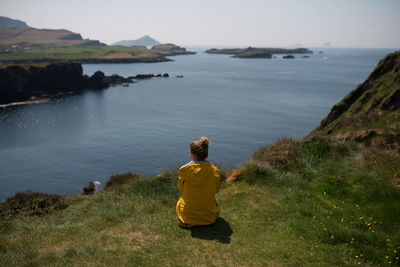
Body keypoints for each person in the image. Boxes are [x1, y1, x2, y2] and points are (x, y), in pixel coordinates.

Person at [176, 136, 220, 227]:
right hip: (209, 217)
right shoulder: (214, 170)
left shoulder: (184, 170)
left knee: (181, 200)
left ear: (193, 155)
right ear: (206, 154)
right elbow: (216, 189)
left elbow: (181, 189)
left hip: (187, 218)